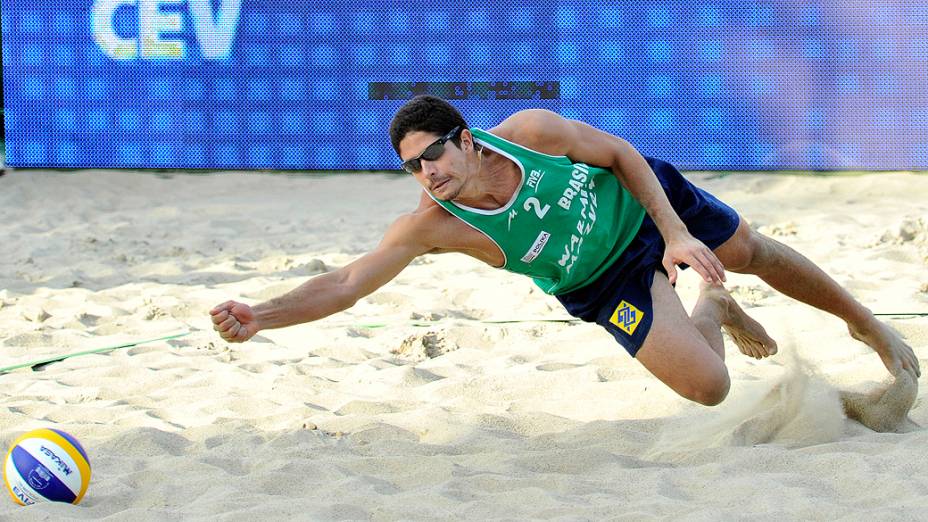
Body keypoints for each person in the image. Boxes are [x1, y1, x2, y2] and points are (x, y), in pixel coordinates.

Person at [210, 95, 919, 407]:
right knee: (710, 389)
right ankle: (716, 307)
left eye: (433, 155)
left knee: (749, 249)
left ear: (465, 139)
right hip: (603, 282)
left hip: (644, 207)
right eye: (412, 166)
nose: (428, 174)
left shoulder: (531, 132)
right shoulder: (432, 224)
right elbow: (345, 284)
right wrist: (262, 316)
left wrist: (674, 232)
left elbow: (617, 152)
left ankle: (862, 322)